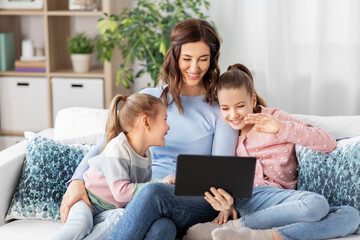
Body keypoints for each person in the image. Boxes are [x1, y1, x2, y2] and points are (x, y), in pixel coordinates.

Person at [60, 18, 238, 239]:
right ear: (175, 57)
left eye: (203, 59)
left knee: (154, 192)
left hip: (191, 200)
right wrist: (76, 181)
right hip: (138, 196)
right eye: (187, 58)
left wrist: (226, 199)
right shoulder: (151, 99)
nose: (195, 68)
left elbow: (222, 171)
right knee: (162, 230)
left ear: (212, 60)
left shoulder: (220, 109)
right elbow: (109, 144)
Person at [184, 63, 360, 240]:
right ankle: (240, 228)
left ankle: (258, 234)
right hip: (248, 199)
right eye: (225, 108)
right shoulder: (226, 132)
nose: (233, 115)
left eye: (239, 106)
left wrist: (281, 128)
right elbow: (213, 171)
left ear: (252, 101)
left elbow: (328, 143)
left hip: (286, 204)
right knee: (317, 204)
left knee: (351, 216)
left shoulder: (277, 119)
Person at [53, 93, 175, 240]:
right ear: (146, 122)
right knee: (81, 224)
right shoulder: (118, 148)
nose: (168, 126)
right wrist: (159, 183)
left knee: (120, 216)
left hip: (110, 209)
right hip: (88, 201)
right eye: (165, 119)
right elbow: (122, 193)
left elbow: (134, 196)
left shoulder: (147, 155)